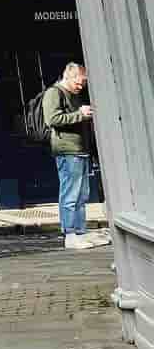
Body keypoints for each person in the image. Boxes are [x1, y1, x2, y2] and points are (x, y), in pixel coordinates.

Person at [43, 63, 110, 250]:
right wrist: (80, 114)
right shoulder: (54, 93)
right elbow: (52, 119)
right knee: (70, 194)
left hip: (80, 150)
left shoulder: (74, 94)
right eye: (79, 83)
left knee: (82, 194)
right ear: (69, 76)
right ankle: (70, 235)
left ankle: (80, 232)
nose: (81, 87)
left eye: (83, 84)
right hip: (67, 151)